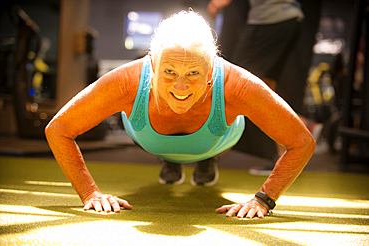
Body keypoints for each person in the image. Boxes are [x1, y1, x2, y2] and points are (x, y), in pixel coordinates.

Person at [45, 11, 315, 219]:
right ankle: (169, 157)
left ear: (211, 71)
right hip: (148, 137)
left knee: (206, 141)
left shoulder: (237, 85)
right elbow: (58, 130)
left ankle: (208, 157)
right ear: (152, 64)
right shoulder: (126, 81)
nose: (181, 87)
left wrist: (263, 199)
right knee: (162, 137)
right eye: (169, 72)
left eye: (194, 73)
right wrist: (89, 192)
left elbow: (302, 142)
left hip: (218, 137)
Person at [208, 0, 323, 174]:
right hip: (290, 18)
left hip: (270, 20)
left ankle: (206, 158)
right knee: (267, 88)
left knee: (233, 83)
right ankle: (289, 148)